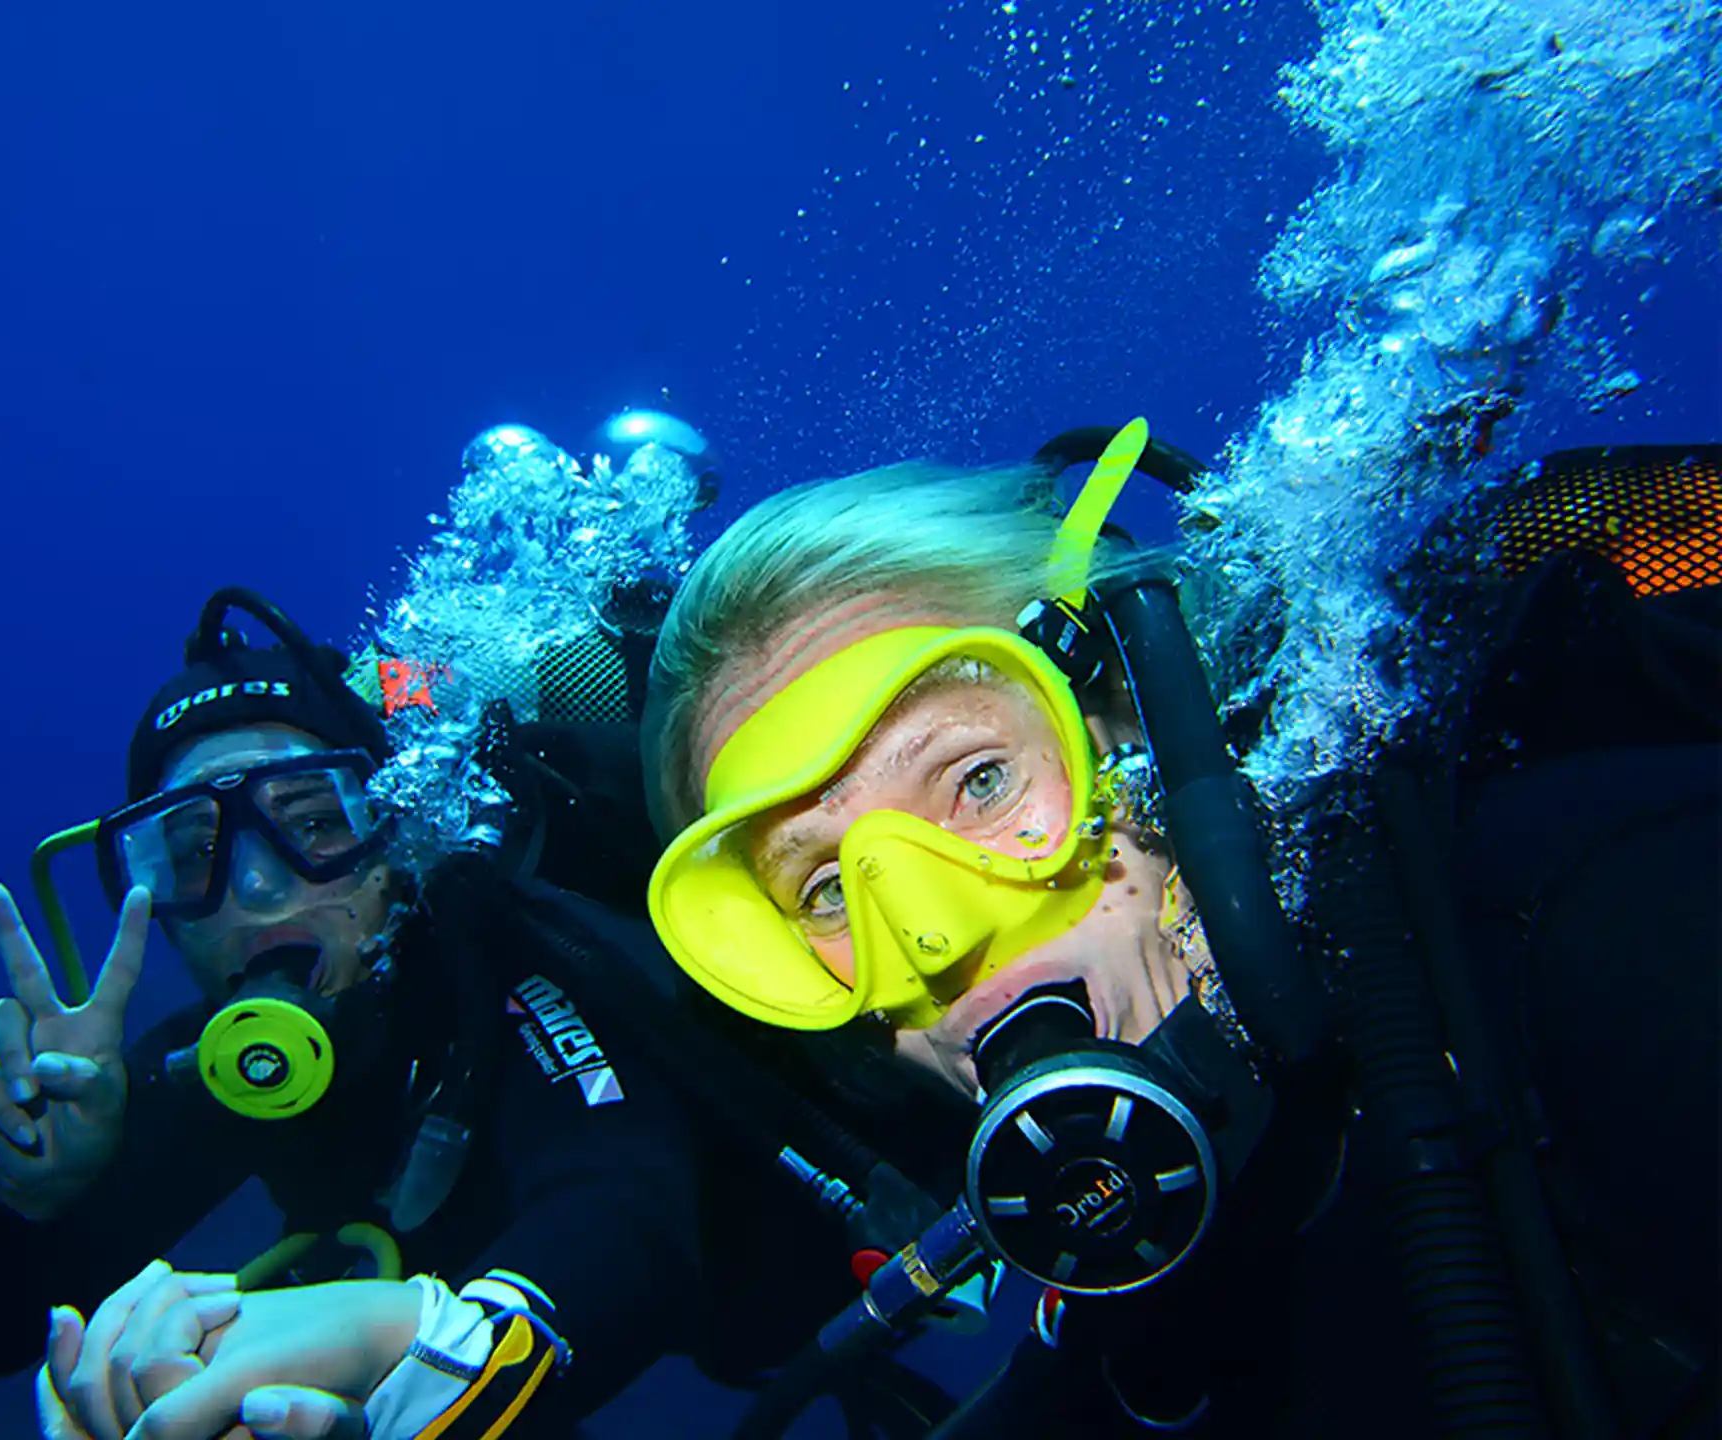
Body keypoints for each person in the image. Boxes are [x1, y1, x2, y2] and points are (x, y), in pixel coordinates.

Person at [631, 423, 1720, 1436]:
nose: (933, 937)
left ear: (1140, 718)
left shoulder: (1604, 926)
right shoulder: (1110, 1374)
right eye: (826, 890)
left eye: (981, 780)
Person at [0, 586, 708, 1440]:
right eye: (195, 850)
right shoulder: (214, 1069)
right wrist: (33, 1193)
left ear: (394, 835)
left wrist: (407, 1339)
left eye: (315, 821)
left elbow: (631, 1216)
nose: (255, 886)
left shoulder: (506, 976)